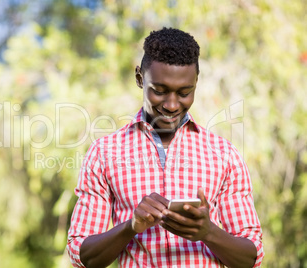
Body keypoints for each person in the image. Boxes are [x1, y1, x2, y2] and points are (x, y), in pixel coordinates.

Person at [67, 27, 264, 268]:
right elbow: (81, 254)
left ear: (195, 83)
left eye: (184, 93)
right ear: (140, 78)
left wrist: (209, 233)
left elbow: (251, 257)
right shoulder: (104, 153)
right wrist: (131, 226)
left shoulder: (225, 155)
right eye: (159, 91)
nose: (171, 105)